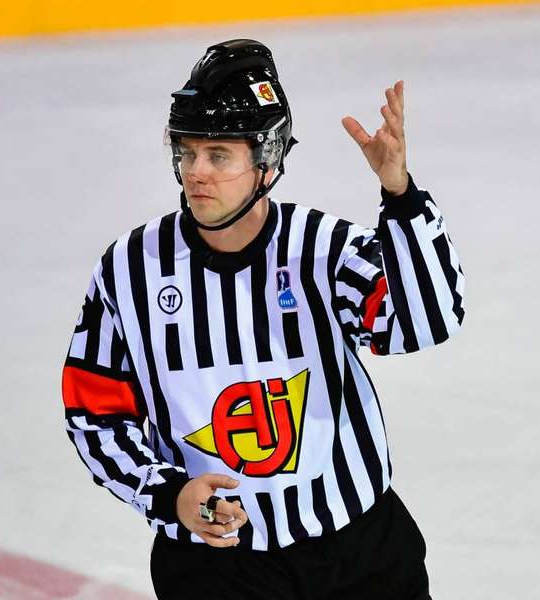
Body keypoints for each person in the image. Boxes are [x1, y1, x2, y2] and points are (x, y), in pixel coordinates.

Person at [61, 39, 465, 599]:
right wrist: (167, 494)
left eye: (219, 155)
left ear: (266, 162)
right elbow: (95, 413)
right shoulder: (132, 269)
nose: (196, 172)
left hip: (359, 556)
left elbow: (425, 321)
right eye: (187, 152)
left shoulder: (322, 248)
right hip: (215, 568)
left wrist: (399, 195)